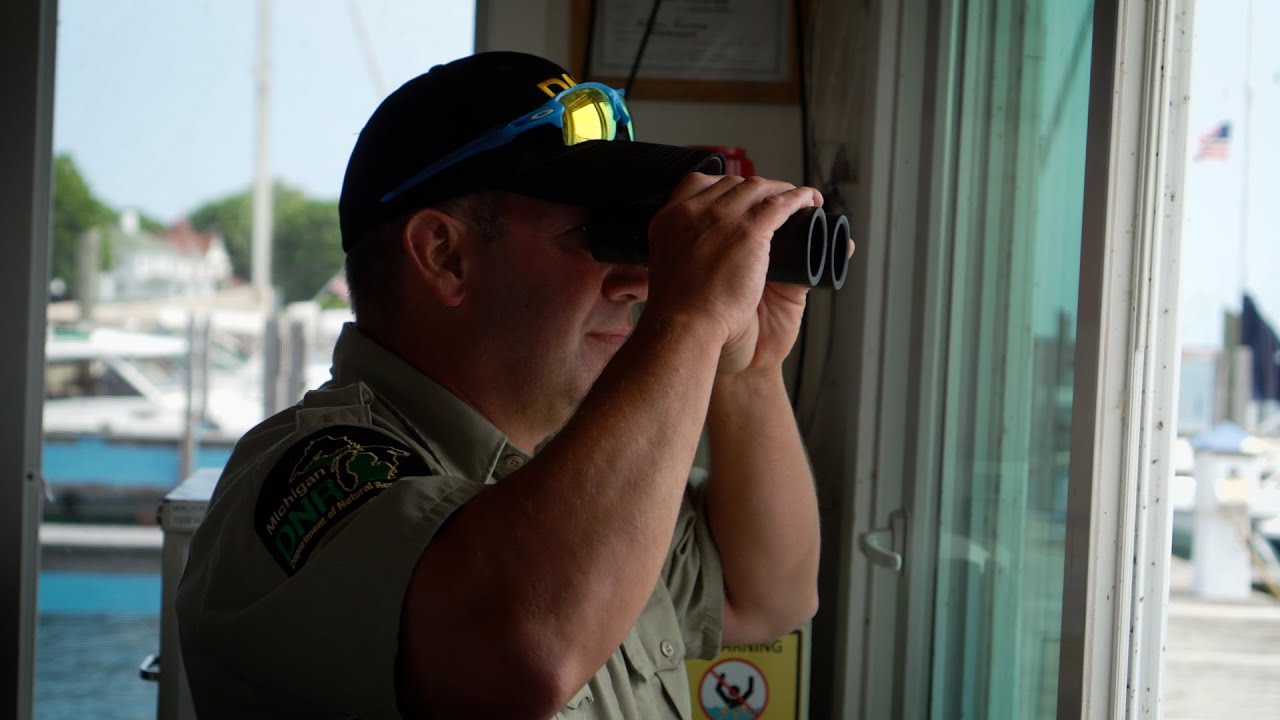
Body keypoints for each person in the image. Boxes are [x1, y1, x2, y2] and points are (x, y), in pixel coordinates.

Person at [176, 50, 823, 719]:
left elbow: (768, 595)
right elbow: (526, 653)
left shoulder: (576, 470)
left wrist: (748, 370)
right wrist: (688, 318)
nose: (639, 282)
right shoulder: (300, 478)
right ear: (444, 255)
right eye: (601, 236)